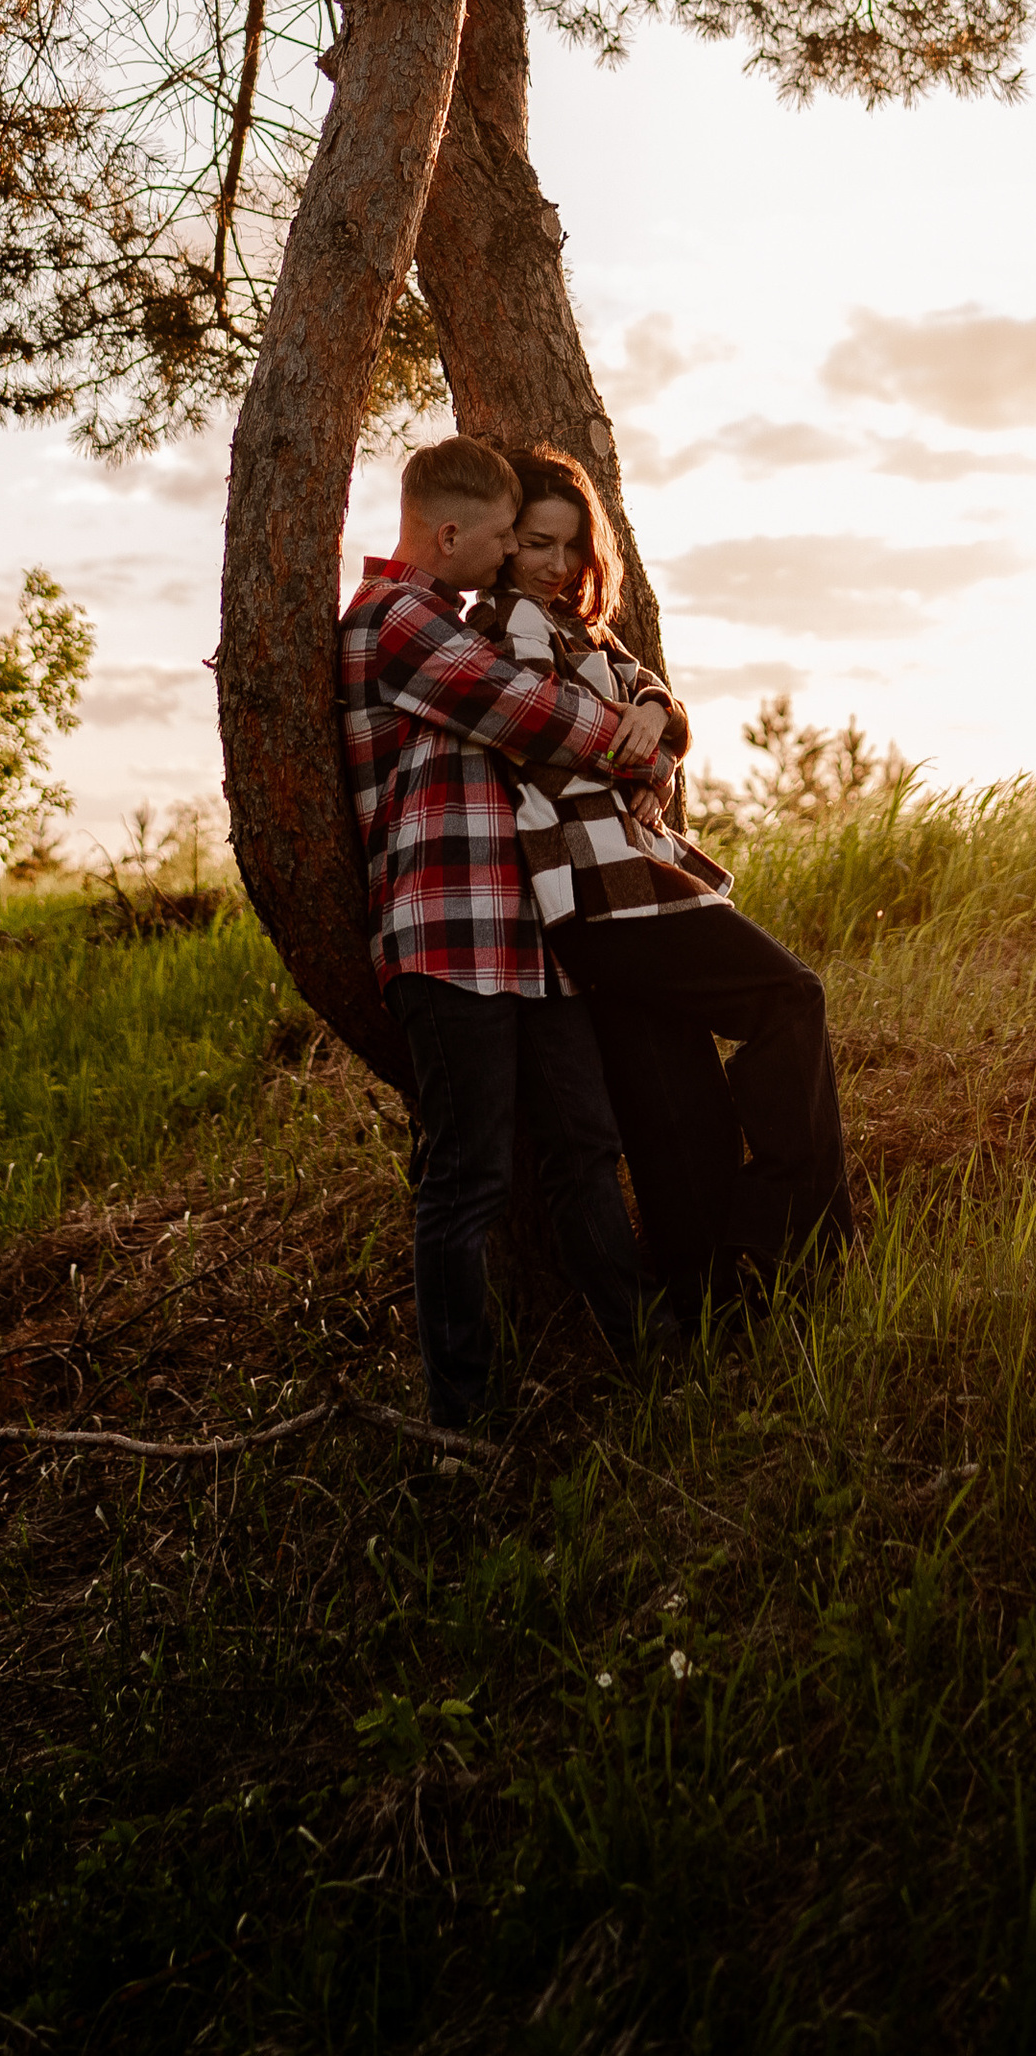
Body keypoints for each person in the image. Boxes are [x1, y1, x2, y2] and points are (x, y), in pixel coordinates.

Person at [337, 432, 685, 1430]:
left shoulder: (458, 620)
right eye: (501, 540)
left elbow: (603, 681)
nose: (508, 559)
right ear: (449, 533)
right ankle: (462, 1414)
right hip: (445, 932)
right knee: (468, 1178)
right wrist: (633, 740)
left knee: (582, 1143)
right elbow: (536, 715)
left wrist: (655, 708)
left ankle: (642, 1356)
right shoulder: (395, 620)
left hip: (534, 933)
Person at [466, 448, 856, 1308]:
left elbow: (658, 701)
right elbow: (550, 734)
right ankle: (797, 1226)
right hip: (602, 887)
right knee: (788, 997)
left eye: (571, 548)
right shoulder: (501, 626)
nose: (557, 565)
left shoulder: (580, 630)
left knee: (675, 1099)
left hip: (617, 887)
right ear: (503, 543)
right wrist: (640, 746)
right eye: (536, 543)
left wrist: (655, 717)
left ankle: (711, 1297)